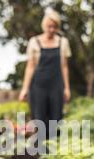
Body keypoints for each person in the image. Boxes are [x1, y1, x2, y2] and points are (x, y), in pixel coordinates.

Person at [19, 8, 72, 139]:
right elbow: (30, 66)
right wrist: (24, 88)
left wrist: (67, 88)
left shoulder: (63, 42)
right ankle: (39, 151)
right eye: (49, 26)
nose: (52, 29)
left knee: (55, 117)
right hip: (38, 86)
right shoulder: (34, 42)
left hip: (56, 85)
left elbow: (64, 66)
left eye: (54, 27)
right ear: (44, 26)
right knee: (39, 118)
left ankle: (53, 149)